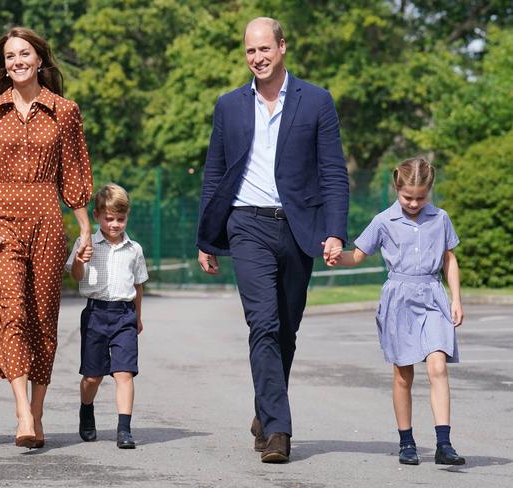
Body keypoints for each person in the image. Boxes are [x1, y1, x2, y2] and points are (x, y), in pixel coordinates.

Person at [196, 17, 349, 463]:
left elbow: (333, 172)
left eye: (265, 49)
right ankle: (279, 431)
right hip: (246, 225)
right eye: (250, 51)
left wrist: (335, 231)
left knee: (286, 329)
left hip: (299, 229)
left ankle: (265, 410)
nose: (257, 58)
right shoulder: (229, 106)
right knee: (262, 323)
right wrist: (207, 236)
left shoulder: (316, 101)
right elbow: (214, 174)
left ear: (282, 47)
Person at [0, 26, 93, 449]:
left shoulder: (65, 110)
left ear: (40, 59)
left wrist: (85, 228)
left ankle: (37, 411)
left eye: (25, 54)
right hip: (3, 220)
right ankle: (22, 409)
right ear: (3, 65)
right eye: (9, 56)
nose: (17, 61)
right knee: (13, 310)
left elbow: (74, 173)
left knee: (43, 317)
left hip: (47, 218)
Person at [329, 157, 465, 466]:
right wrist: (338, 256)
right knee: (403, 373)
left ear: (429, 191)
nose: (415, 203)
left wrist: (456, 298)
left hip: (432, 296)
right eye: (408, 197)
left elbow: (449, 259)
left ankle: (444, 443)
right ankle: (407, 442)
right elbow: (359, 255)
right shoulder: (382, 221)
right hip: (399, 299)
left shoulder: (440, 218)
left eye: (421, 197)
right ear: (396, 188)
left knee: (438, 367)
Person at [67, 183, 148, 449]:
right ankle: (86, 409)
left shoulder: (134, 249)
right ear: (97, 216)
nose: (114, 224)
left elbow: (138, 285)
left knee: (124, 373)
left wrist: (137, 316)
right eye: (109, 218)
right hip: (95, 314)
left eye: (120, 219)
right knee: (93, 377)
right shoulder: (86, 243)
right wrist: (80, 259)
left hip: (124, 315)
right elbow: (75, 276)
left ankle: (124, 429)